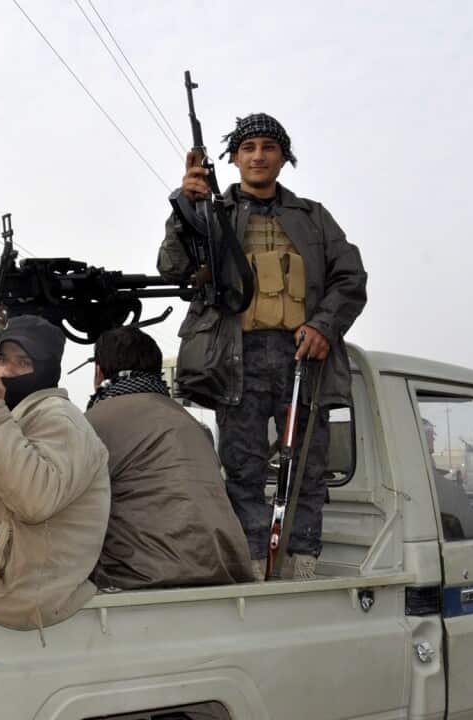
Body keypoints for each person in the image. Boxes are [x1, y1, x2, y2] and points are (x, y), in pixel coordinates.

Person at [159, 113, 368, 580]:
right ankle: (253, 568)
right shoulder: (211, 213)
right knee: (243, 467)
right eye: (248, 147)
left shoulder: (313, 217)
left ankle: (302, 566)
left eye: (268, 147)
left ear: (283, 158)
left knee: (308, 469)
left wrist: (323, 327)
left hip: (303, 355)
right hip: (238, 358)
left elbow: (350, 279)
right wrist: (184, 208)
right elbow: (173, 268)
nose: (258, 155)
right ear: (233, 158)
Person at [0, 316, 110, 630]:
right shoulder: (13, 417)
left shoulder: (59, 419)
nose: (6, 372)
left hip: (14, 604)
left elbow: (34, 500)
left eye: (23, 362)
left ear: (47, 370)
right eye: (2, 360)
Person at [84, 327, 254, 589]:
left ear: (99, 373)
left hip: (143, 575)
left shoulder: (92, 423)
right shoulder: (192, 423)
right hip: (224, 567)